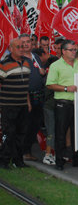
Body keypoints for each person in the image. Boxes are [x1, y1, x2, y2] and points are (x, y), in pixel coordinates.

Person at [46, 40, 78, 170]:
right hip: (63, 103)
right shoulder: (56, 66)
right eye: (71, 50)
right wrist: (66, 88)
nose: (73, 52)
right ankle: (59, 161)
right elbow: (50, 84)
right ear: (63, 51)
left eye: (75, 50)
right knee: (61, 133)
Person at [0, 39, 31, 169]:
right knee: (9, 133)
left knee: (21, 133)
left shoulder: (27, 63)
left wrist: (28, 102)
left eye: (22, 47)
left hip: (23, 104)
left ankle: (18, 160)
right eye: (18, 47)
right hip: (8, 105)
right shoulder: (4, 65)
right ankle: (4, 161)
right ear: (11, 49)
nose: (22, 49)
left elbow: (26, 86)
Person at [19, 34, 46, 162]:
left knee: (35, 124)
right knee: (26, 124)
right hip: (26, 95)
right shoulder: (19, 58)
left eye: (28, 42)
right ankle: (22, 152)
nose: (26, 44)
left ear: (32, 43)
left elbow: (39, 72)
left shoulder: (35, 56)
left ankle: (27, 150)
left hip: (38, 94)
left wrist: (43, 72)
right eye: (23, 42)